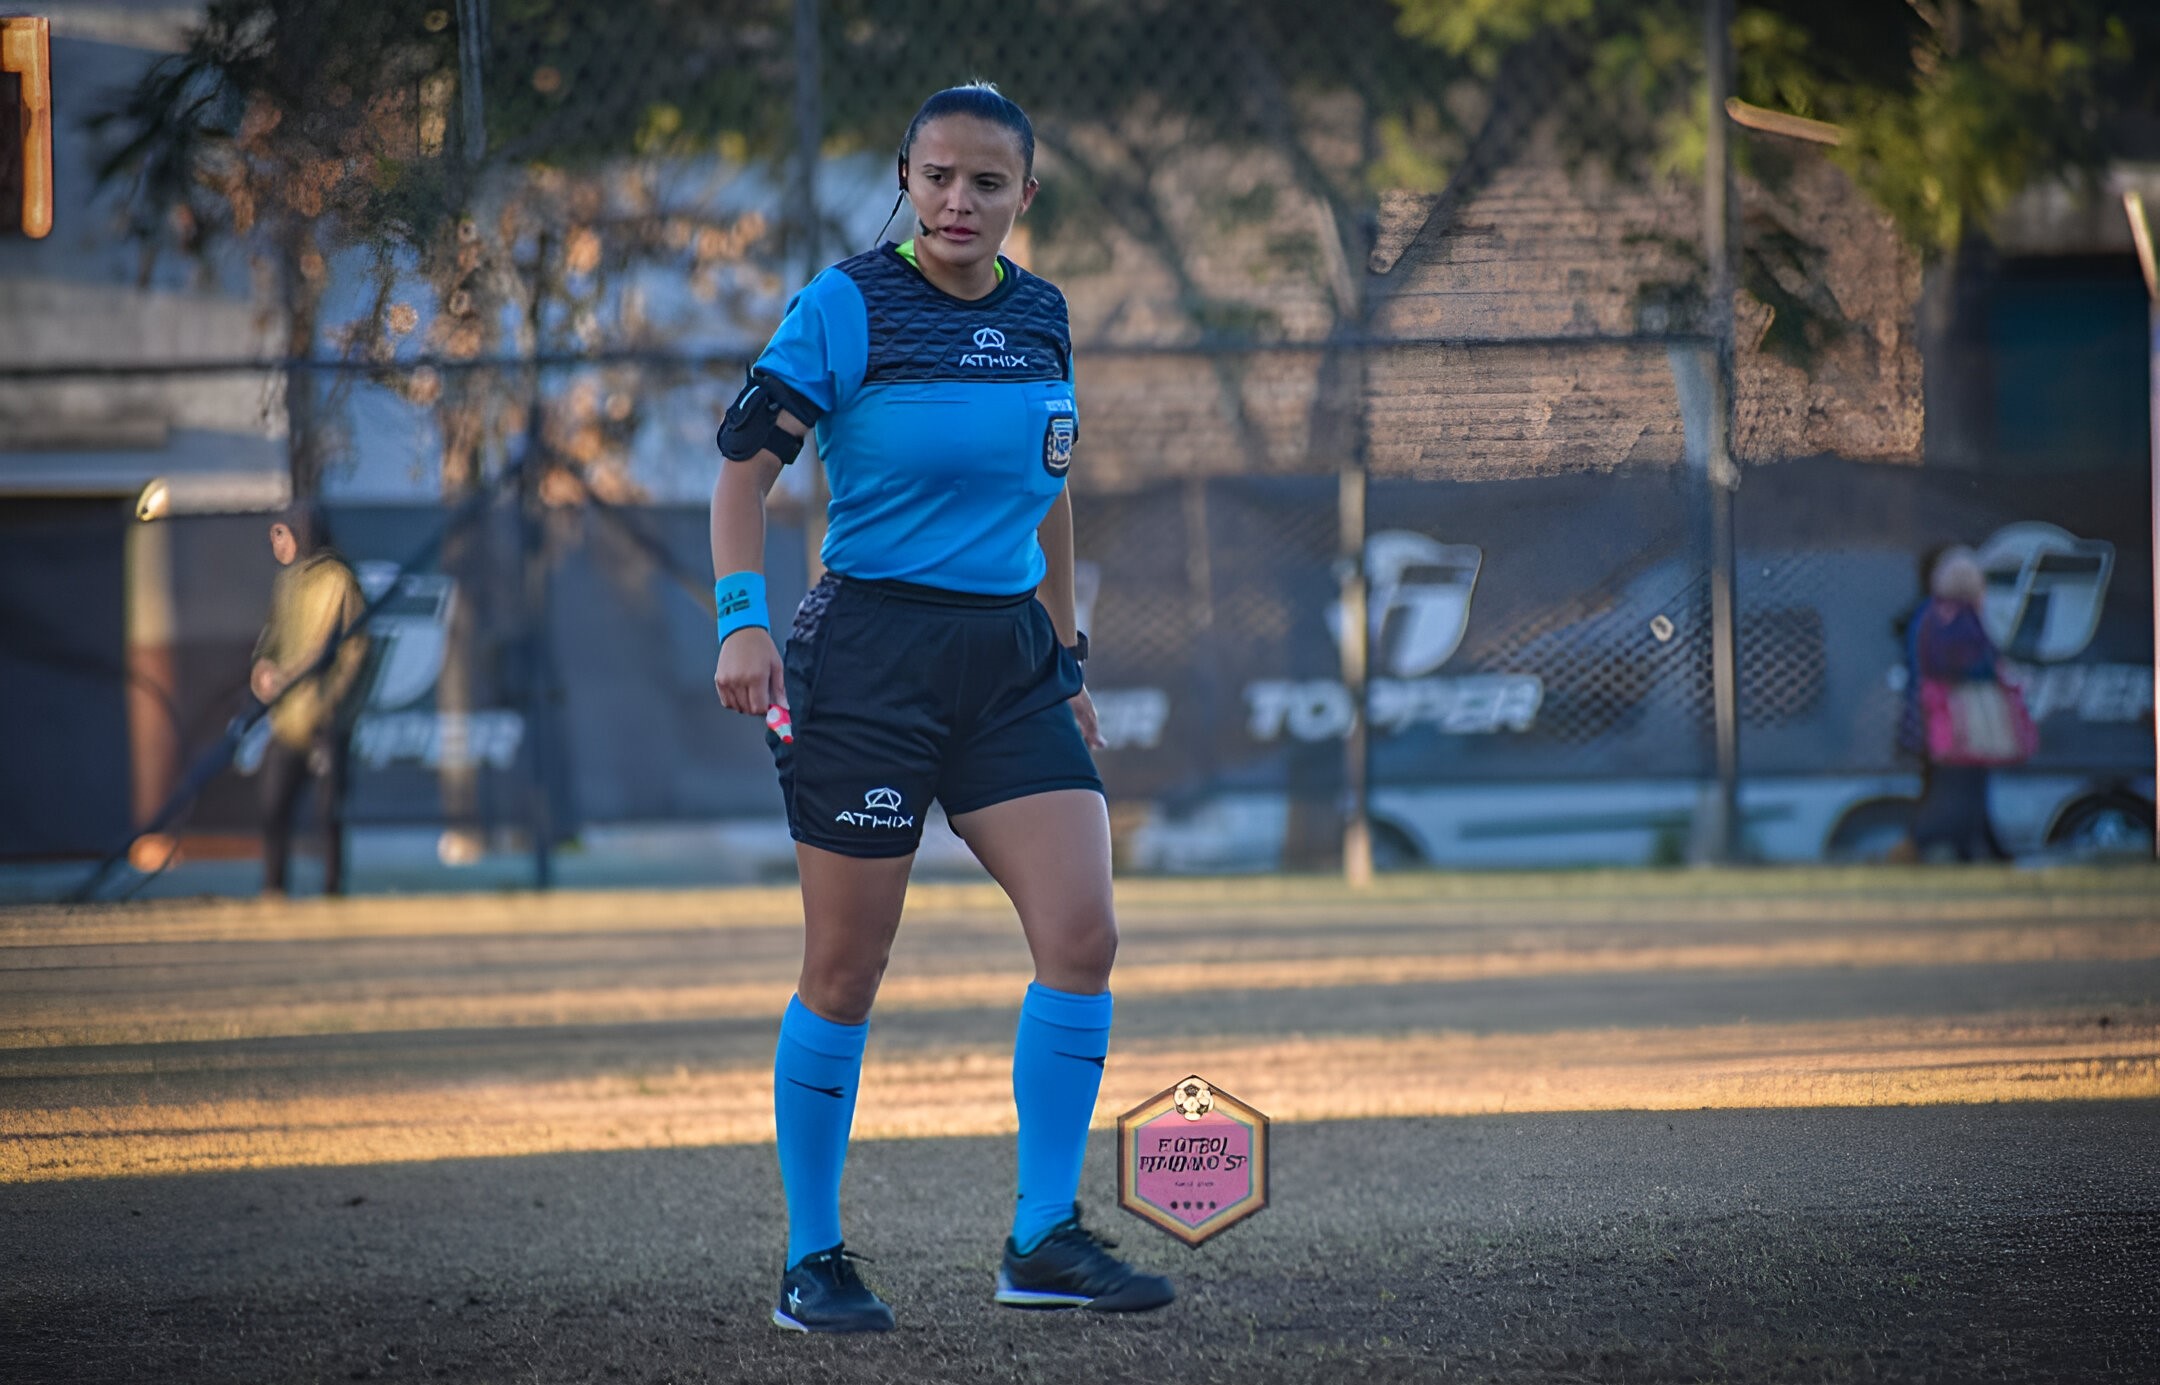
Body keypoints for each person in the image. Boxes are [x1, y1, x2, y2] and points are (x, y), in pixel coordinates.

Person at [709, 82, 1172, 1333]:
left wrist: (1068, 656)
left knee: (1083, 934)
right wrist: (741, 618)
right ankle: (813, 1258)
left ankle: (1043, 1236)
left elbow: (1052, 487)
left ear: (1026, 195)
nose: (960, 200)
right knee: (846, 966)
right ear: (907, 180)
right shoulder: (846, 304)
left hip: (1011, 662)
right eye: (938, 176)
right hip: (871, 661)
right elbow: (743, 471)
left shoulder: (1042, 314)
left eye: (987, 182)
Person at [251, 501, 369, 896]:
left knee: (328, 810)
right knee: (272, 805)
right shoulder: (287, 582)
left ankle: (333, 891)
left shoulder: (340, 580)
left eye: (286, 531)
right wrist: (262, 669)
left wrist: (333, 703)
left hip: (326, 721)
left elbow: (353, 650)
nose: (280, 540)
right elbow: (271, 640)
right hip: (287, 721)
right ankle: (273, 888)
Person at [1903, 547, 2010, 862]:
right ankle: (1916, 847)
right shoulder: (1956, 618)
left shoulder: (1929, 615)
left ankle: (1977, 851)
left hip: (1939, 720)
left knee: (1958, 789)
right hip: (1962, 720)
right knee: (1961, 789)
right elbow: (1966, 667)